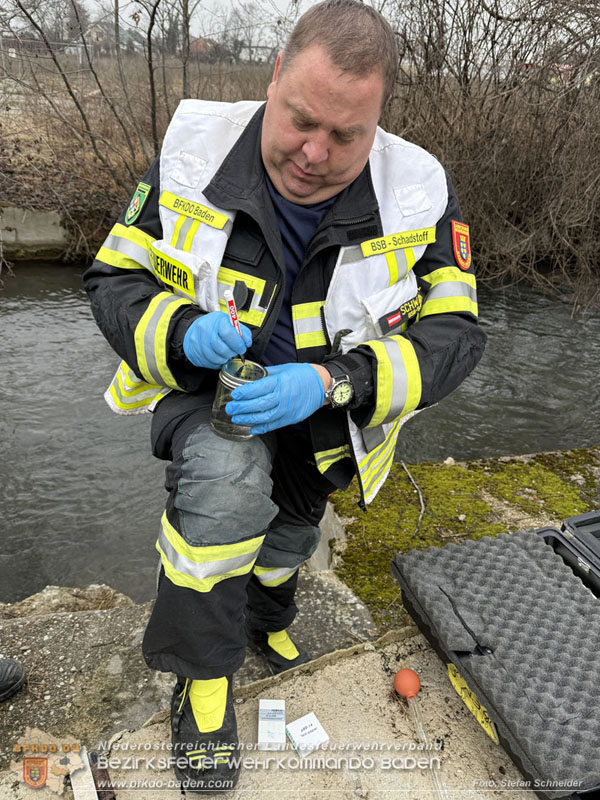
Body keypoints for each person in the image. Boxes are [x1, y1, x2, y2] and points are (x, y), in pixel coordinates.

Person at [83, 0, 486, 790]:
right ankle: (202, 684)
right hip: (213, 393)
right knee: (223, 496)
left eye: (346, 135)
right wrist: (178, 334)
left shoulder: (419, 191)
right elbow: (112, 278)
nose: (314, 151)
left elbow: (456, 336)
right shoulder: (192, 151)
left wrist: (336, 380)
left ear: (379, 118)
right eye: (301, 119)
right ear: (274, 77)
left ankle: (270, 603)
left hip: (328, 410)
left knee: (296, 525)